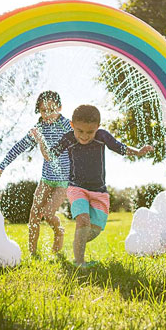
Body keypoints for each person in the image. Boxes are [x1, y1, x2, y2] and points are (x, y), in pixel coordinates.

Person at [31, 104, 154, 267]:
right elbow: (49, 155)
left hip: (99, 192)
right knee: (83, 221)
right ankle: (79, 262)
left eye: (90, 132)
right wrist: (41, 140)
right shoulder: (68, 138)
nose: (84, 136)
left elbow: (120, 147)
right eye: (80, 131)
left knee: (93, 230)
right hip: (76, 188)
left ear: (98, 127)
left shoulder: (102, 136)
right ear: (73, 125)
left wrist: (138, 151)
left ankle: (76, 243)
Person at [0, 91, 72, 255]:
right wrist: (2, 166)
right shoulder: (39, 129)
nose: (48, 114)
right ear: (39, 111)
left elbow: (80, 137)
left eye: (52, 109)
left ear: (60, 107)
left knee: (49, 213)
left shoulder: (66, 125)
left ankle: (59, 231)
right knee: (35, 213)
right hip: (46, 179)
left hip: (64, 181)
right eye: (44, 110)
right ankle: (32, 254)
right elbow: (19, 147)